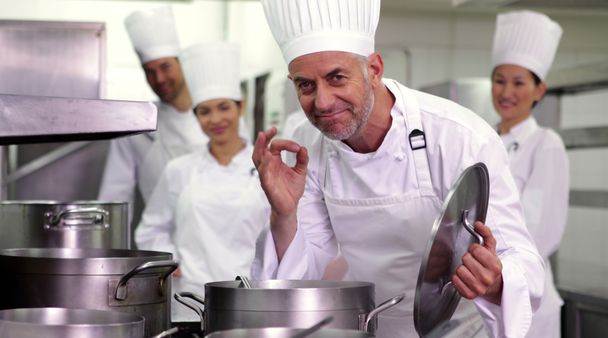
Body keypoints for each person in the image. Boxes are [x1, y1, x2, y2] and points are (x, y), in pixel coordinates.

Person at [251, 1, 545, 337]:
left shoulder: (459, 138)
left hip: (457, 331)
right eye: (305, 85)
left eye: (337, 78)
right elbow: (302, 271)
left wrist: (495, 281)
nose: (323, 102)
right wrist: (284, 214)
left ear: (374, 69)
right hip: (370, 326)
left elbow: (523, 260)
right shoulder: (308, 146)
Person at [135, 42, 270, 321]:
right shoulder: (179, 170)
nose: (216, 119)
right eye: (205, 111)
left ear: (240, 107)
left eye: (224, 108)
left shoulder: (267, 166)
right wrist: (171, 259)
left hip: (252, 296)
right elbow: (151, 230)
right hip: (191, 300)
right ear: (196, 117)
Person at [491, 10, 569, 338]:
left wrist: (496, 267)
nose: (507, 92)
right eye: (499, 80)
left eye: (519, 82)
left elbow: (542, 231)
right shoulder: (484, 137)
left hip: (527, 296)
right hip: (485, 287)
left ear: (539, 91)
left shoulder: (545, 144)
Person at [99, 6, 207, 224]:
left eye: (165, 66)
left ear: (182, 62)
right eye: (149, 71)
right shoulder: (136, 127)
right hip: (162, 246)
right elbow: (114, 199)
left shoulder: (218, 118)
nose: (159, 78)